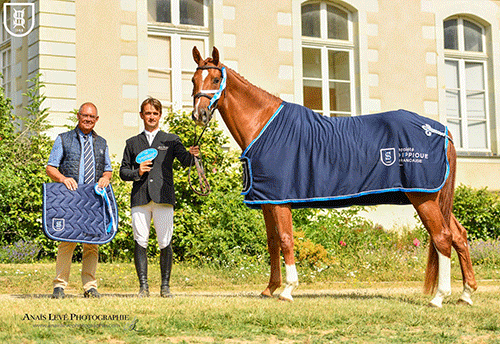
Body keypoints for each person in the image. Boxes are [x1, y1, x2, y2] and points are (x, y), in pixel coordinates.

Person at [119, 97, 199, 297]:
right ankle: (143, 287)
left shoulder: (171, 140)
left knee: (165, 241)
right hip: (140, 198)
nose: (151, 117)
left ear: (160, 115)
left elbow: (186, 161)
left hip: (163, 197)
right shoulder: (132, 143)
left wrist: (194, 154)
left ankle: (165, 286)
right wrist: (137, 172)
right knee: (140, 241)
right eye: (148, 113)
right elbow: (122, 172)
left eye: (155, 113)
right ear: (141, 115)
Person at [46, 102, 113, 299]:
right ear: (78, 116)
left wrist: (106, 178)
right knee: (66, 241)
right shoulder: (63, 139)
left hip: (93, 198)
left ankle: (90, 287)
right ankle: (59, 286)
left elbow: (107, 169)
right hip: (70, 198)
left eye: (92, 117)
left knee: (92, 244)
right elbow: (51, 167)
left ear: (96, 119)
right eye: (85, 115)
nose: (88, 119)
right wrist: (63, 179)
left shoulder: (102, 143)